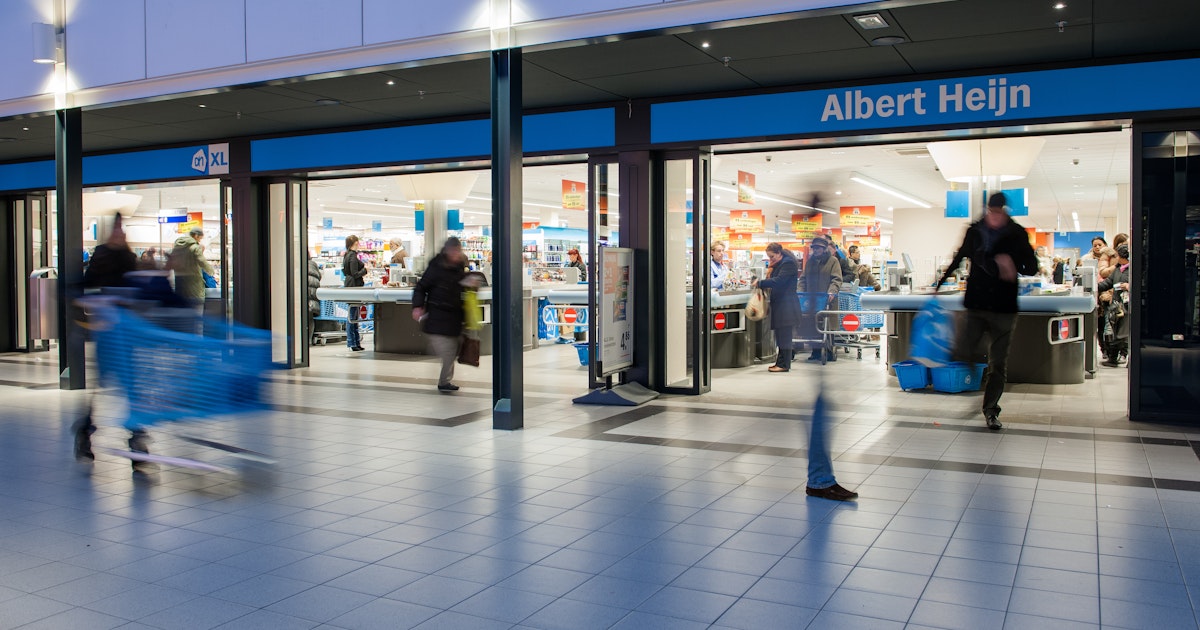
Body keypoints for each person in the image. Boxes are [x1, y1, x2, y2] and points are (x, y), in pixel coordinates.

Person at [937, 192, 1038, 430]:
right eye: (991, 211)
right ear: (987, 209)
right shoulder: (975, 232)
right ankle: (973, 370)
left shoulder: (1016, 235)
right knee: (966, 348)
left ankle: (991, 410)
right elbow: (959, 257)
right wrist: (938, 284)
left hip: (1004, 307)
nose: (994, 216)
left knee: (998, 363)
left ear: (1004, 210)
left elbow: (1032, 267)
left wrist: (1014, 265)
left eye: (998, 211)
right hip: (976, 304)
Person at [413, 237, 468, 392]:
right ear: (447, 250)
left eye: (458, 250)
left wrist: (469, 283)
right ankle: (444, 382)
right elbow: (421, 287)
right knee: (448, 352)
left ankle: (444, 381)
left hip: (454, 317)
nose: (456, 254)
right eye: (454, 250)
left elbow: (460, 288)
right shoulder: (436, 266)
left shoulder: (458, 267)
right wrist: (417, 306)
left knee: (454, 349)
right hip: (438, 316)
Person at [754, 242, 801, 372]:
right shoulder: (781, 263)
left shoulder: (788, 264)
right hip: (782, 305)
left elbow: (779, 281)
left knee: (784, 335)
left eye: (772, 257)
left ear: (779, 253)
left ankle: (784, 364)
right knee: (781, 334)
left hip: (787, 306)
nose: (771, 260)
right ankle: (780, 362)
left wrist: (760, 283)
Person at [798, 236, 842, 362]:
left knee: (828, 326)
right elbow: (803, 279)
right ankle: (815, 352)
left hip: (827, 299)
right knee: (813, 325)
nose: (815, 250)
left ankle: (830, 352)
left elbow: (837, 279)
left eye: (818, 248)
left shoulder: (833, 261)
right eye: (814, 248)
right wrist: (800, 292)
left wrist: (832, 292)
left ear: (824, 249)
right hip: (812, 300)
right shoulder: (810, 262)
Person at [168, 226, 215, 315]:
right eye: (200, 239)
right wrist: (211, 271)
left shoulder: (177, 247)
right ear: (196, 235)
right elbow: (202, 262)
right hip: (193, 285)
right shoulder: (194, 247)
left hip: (180, 285)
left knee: (183, 315)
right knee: (196, 314)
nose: (200, 241)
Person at [1097, 243, 1130, 367]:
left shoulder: (1132, 270)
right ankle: (1113, 357)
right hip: (1116, 305)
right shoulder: (1117, 269)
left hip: (1126, 305)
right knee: (1115, 330)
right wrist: (1093, 287)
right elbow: (1108, 283)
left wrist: (1128, 286)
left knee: (1123, 331)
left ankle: (1122, 355)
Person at [83, 213, 137, 290]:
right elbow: (90, 280)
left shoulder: (129, 257)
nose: (118, 232)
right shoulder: (101, 253)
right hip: (103, 295)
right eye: (116, 228)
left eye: (120, 228)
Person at [342, 235, 368, 351]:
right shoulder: (352, 256)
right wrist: (365, 270)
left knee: (353, 315)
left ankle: (354, 342)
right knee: (353, 316)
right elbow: (355, 273)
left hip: (350, 285)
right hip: (354, 287)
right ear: (355, 242)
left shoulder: (347, 255)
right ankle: (353, 343)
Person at [307, 256, 321, 346]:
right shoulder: (314, 264)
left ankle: (301, 339)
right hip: (314, 295)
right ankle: (309, 340)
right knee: (310, 318)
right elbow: (319, 276)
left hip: (305, 294)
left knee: (301, 318)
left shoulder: (300, 264)